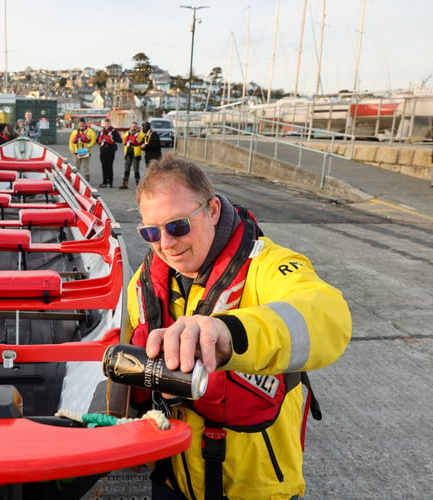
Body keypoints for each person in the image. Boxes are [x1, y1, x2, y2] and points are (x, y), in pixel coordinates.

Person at [125, 156, 352, 500]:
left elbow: (327, 316)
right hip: (170, 479)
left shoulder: (271, 266)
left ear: (213, 210)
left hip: (253, 489)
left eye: (178, 226)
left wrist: (231, 334)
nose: (166, 244)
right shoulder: (144, 282)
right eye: (151, 232)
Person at [68, 117, 97, 182]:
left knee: (85, 167)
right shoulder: (75, 132)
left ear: (85, 124)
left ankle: (87, 180)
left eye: (82, 123)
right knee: (76, 167)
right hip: (76, 152)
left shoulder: (90, 131)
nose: (81, 125)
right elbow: (71, 141)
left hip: (85, 151)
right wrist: (71, 149)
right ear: (78, 124)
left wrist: (88, 146)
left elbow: (93, 140)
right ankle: (75, 180)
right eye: (80, 124)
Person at [96, 118, 122, 188]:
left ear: (110, 124)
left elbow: (120, 140)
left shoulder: (114, 131)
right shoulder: (101, 131)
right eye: (105, 124)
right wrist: (100, 142)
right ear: (104, 124)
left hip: (110, 150)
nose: (107, 125)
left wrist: (112, 138)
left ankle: (110, 182)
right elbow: (97, 140)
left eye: (108, 124)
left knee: (109, 166)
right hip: (103, 150)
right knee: (104, 166)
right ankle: (104, 182)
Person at [119, 121, 144, 190]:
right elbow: (124, 140)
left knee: (136, 169)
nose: (133, 128)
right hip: (128, 153)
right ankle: (125, 184)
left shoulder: (140, 134)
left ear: (137, 127)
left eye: (134, 127)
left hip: (136, 153)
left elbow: (143, 142)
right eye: (132, 127)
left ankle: (138, 185)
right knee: (126, 169)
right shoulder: (127, 133)